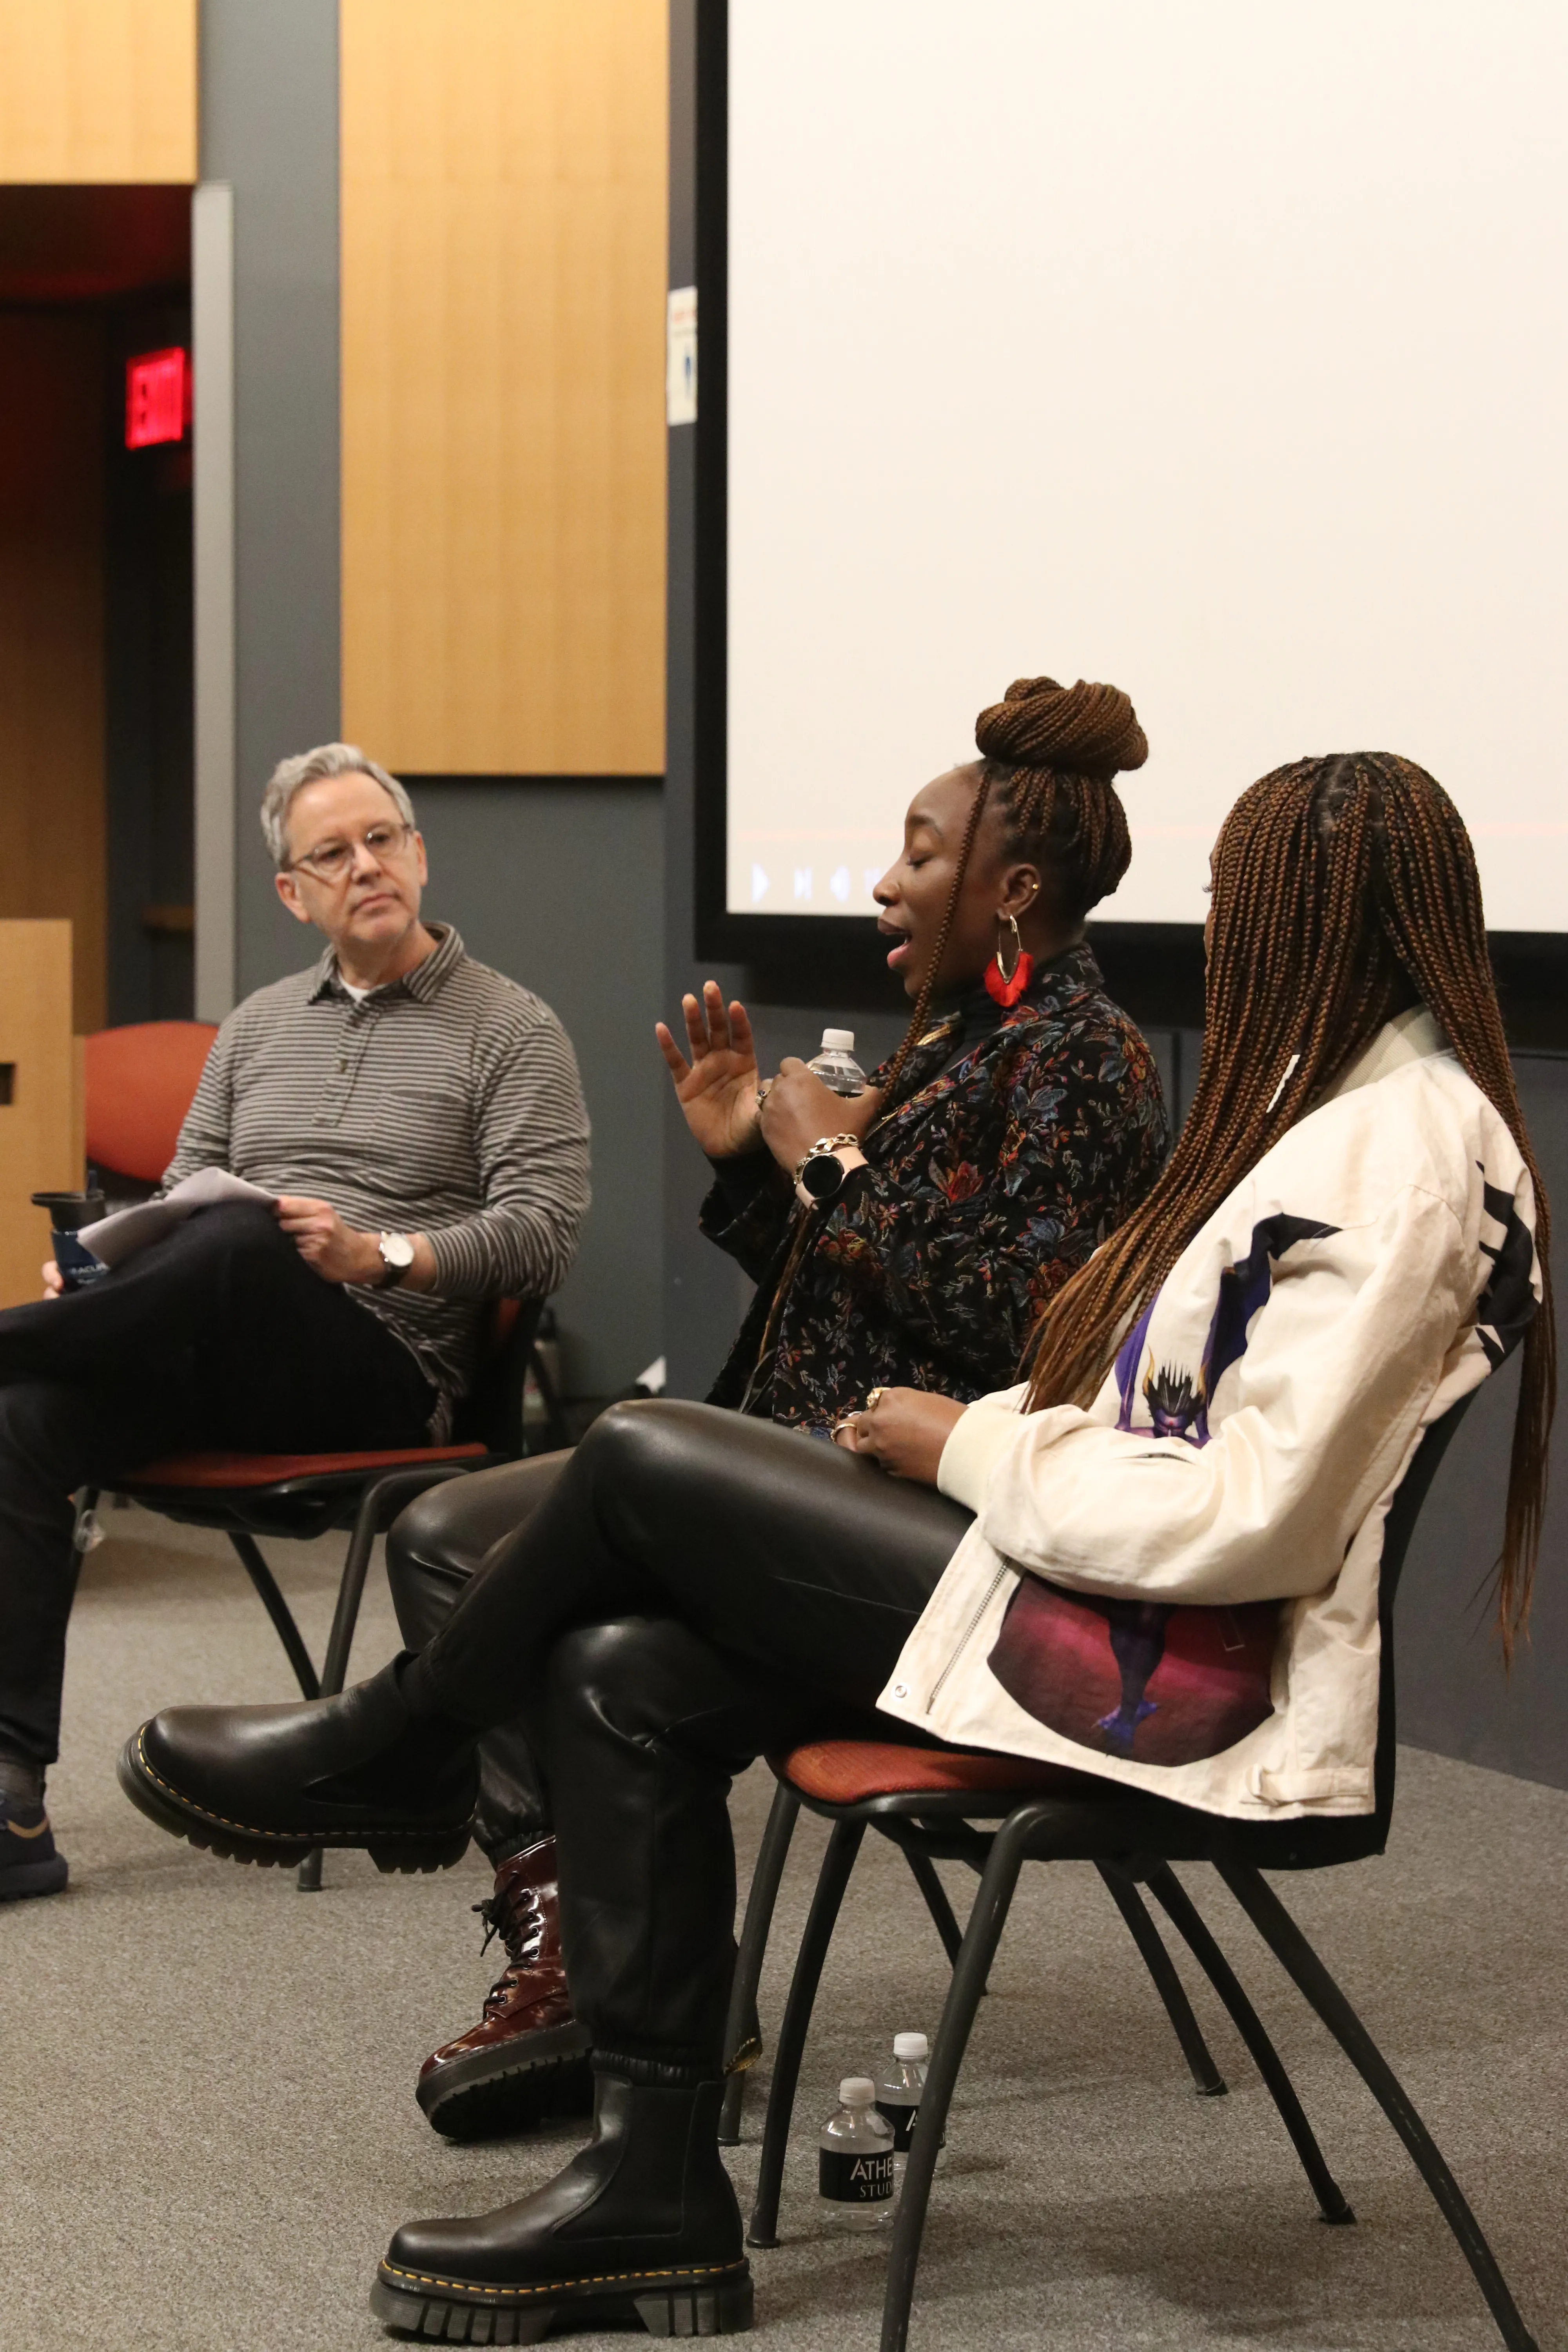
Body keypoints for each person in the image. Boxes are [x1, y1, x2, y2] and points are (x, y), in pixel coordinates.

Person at [120, 749, 1552, 2343]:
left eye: (1242, 906)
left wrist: (976, 1440)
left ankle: (397, 1742)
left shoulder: (1399, 1158)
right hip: (1079, 1583)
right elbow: (1126, 1398)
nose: (1219, 936)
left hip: (1157, 1669)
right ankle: (653, 2196)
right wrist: (950, 1391)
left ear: (1319, 920)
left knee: (642, 1450)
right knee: (617, 1668)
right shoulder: (1335, 1125)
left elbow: (1241, 1516)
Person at [385, 675, 1168, 2137]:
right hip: (799, 1461)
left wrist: (828, 1173)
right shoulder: (960, 1044)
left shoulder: (1087, 1062)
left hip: (903, 1519)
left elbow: (1022, 1328)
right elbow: (851, 1284)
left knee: (560, 1602)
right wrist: (756, 1168)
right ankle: (570, 1948)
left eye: (923, 854)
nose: (884, 878)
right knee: (441, 1536)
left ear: (1010, 892)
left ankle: (595, 1963)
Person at [0, 744, 589, 1906]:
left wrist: (384, 1253)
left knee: (239, 1241)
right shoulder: (260, 1027)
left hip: (379, 1362)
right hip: (220, 1342)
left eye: (382, 840)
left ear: (418, 856)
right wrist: (105, 1272)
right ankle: (12, 1798)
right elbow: (181, 1198)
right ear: (294, 891)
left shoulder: (512, 1029)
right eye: (334, 852)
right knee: (26, 1413)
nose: (365, 864)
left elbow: (545, 1230)